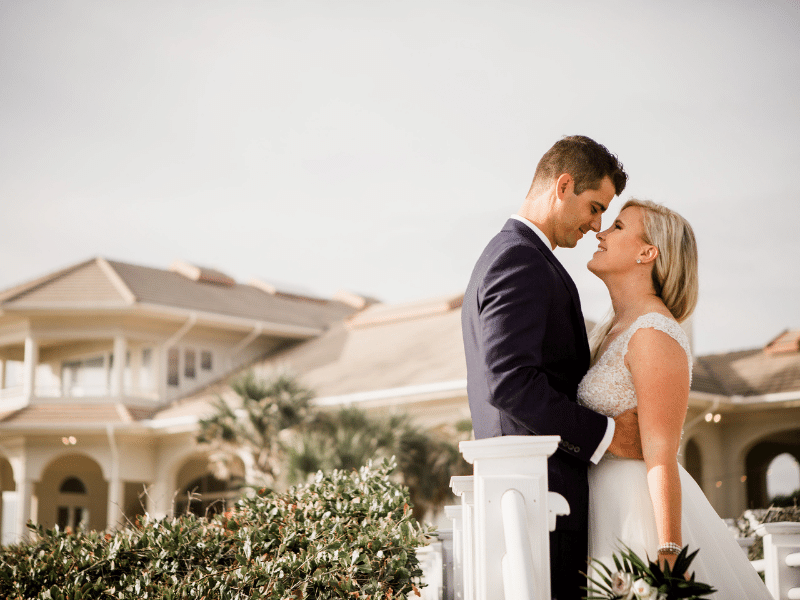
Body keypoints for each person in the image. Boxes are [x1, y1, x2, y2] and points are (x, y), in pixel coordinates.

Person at [462, 135, 643, 600]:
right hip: (538, 494)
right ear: (563, 185)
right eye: (595, 206)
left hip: (534, 496)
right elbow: (510, 382)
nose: (596, 224)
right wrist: (605, 433)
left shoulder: (517, 255)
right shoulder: (520, 259)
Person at [580, 199, 771, 598]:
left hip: (634, 514)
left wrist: (667, 549)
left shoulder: (654, 333)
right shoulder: (612, 330)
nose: (600, 232)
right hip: (596, 504)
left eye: (617, 227)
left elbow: (662, 454)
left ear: (648, 253)